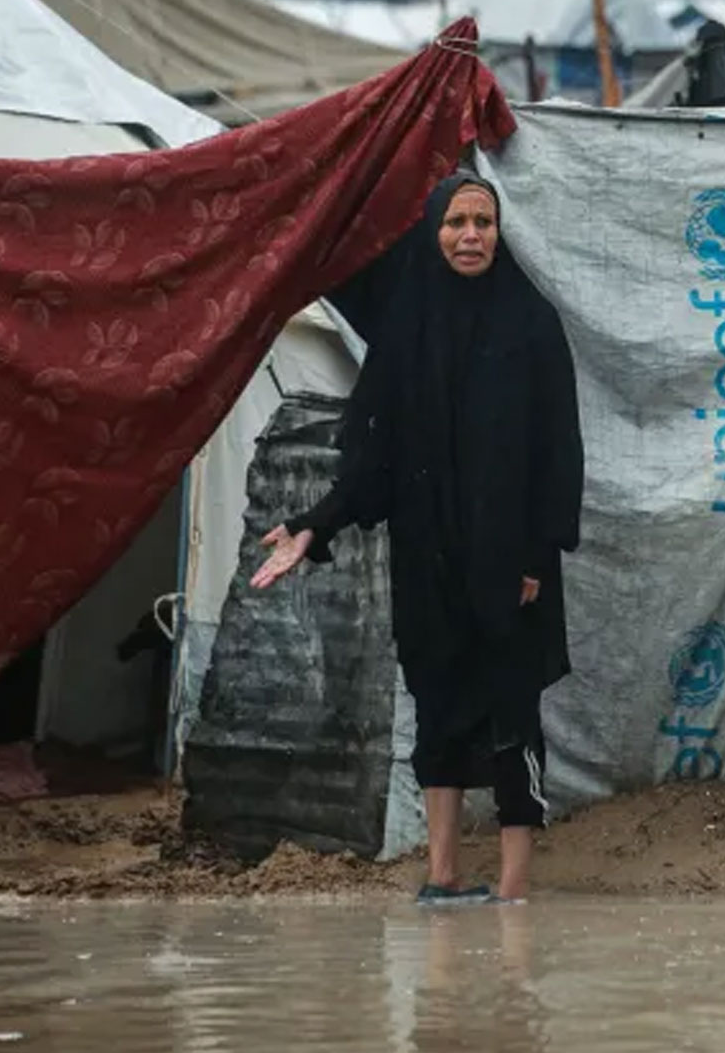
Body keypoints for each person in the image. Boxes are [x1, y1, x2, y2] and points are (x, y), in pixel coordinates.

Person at [250, 171, 584, 906]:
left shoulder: (531, 324)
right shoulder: (407, 331)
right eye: (456, 223)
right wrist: (314, 523)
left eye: (483, 222)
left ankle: (515, 888)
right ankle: (442, 875)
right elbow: (376, 462)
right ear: (433, 234)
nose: (471, 236)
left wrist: (536, 555)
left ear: (501, 232)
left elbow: (559, 451)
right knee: (436, 708)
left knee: (511, 717)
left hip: (512, 567)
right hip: (429, 563)